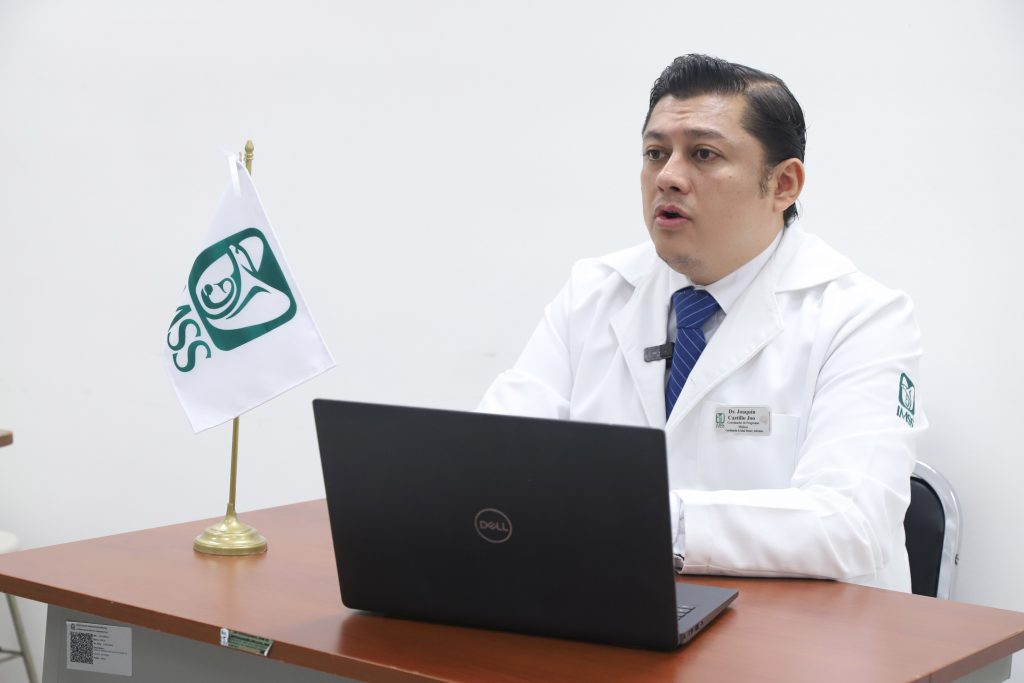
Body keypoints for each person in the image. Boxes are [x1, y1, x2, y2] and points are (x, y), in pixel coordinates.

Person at [478, 54, 925, 591]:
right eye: (655, 153)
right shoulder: (594, 292)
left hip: (799, 627)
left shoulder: (863, 317)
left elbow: (850, 523)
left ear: (783, 184)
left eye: (703, 154)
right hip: (610, 600)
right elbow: (493, 461)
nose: (668, 177)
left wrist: (641, 519)